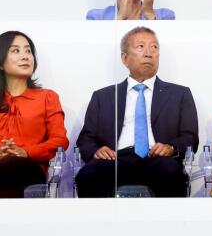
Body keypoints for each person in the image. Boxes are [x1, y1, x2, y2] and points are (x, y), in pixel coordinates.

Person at [75, 27, 199, 197]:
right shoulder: (103, 96)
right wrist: (96, 151)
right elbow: (86, 139)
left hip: (159, 160)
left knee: (172, 173)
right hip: (115, 160)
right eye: (141, 47)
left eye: (154, 47)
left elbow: (190, 137)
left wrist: (171, 148)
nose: (149, 53)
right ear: (125, 58)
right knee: (89, 175)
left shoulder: (180, 94)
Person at [0, 31, 69, 198]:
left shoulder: (48, 97)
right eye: (16, 51)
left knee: (11, 164)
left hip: (28, 166)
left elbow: (59, 140)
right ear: (1, 62)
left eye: (28, 51)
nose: (25, 56)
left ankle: (13, 220)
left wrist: (26, 152)